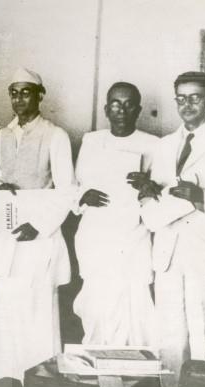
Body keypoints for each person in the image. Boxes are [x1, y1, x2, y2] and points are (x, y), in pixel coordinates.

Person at [128, 71, 205, 387]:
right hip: (168, 252)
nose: (187, 105)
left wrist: (202, 196)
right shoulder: (165, 145)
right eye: (181, 98)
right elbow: (158, 192)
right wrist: (148, 191)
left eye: (195, 97)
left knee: (204, 335)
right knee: (170, 337)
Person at [0, 67, 75, 384]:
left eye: (26, 92)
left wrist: (38, 224)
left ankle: (40, 374)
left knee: (37, 304)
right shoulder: (3, 135)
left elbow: (67, 190)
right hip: (8, 232)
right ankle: (10, 372)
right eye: (14, 93)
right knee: (8, 301)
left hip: (39, 236)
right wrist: (0, 189)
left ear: (40, 95)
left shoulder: (56, 135)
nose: (19, 99)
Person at [73, 82, 158, 346]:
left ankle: (133, 366)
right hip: (96, 235)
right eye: (116, 104)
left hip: (133, 237)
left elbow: (160, 192)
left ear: (138, 110)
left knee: (134, 305)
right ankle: (97, 361)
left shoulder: (153, 144)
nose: (122, 110)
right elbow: (77, 185)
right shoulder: (92, 140)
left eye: (129, 104)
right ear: (106, 109)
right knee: (97, 305)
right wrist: (83, 196)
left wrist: (147, 185)